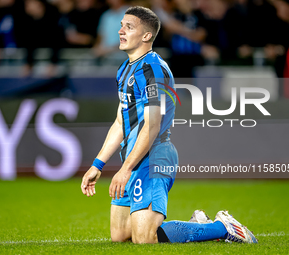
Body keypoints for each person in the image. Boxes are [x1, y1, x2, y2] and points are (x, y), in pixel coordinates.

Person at [81, 6, 258, 244]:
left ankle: (222, 227)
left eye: (128, 27)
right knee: (121, 235)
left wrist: (125, 170)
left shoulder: (154, 69)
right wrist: (98, 164)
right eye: (122, 25)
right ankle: (198, 225)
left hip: (154, 156)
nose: (121, 31)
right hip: (133, 156)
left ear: (146, 36)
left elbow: (152, 126)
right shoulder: (125, 69)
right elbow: (120, 121)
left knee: (145, 238)